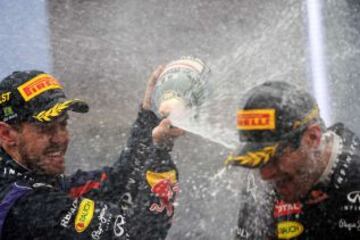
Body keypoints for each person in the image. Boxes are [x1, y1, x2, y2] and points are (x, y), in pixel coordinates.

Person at [0, 67, 184, 239]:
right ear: (7, 134)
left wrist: (150, 116)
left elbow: (119, 182)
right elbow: (139, 235)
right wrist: (161, 152)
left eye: (63, 124)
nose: (60, 139)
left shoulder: (29, 178)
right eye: (45, 128)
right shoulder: (27, 207)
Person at [225, 81, 360, 239]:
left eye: (273, 158)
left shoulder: (355, 179)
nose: (265, 175)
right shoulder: (261, 185)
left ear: (312, 138)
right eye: (258, 161)